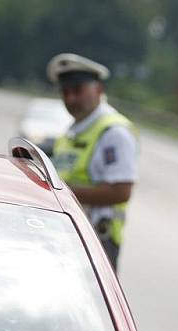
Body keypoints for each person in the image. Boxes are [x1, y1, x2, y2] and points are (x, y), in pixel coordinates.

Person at [47, 53, 139, 270]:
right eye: (65, 92)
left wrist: (58, 191)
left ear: (98, 89)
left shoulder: (113, 132)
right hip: (67, 236)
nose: (70, 99)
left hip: (96, 240)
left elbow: (120, 191)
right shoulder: (72, 131)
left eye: (77, 90)